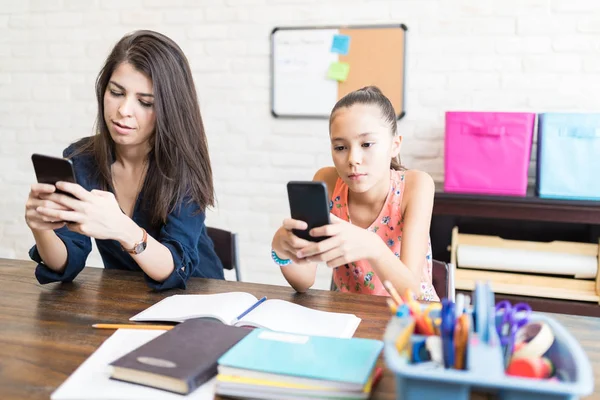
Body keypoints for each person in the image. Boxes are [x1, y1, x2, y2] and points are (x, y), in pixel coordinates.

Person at [24, 30, 224, 290]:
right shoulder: (82, 159)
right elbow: (66, 262)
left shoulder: (182, 165)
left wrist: (121, 228)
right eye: (116, 92)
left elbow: (177, 267)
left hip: (200, 298)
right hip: (125, 301)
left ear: (169, 109)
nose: (124, 111)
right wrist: (41, 227)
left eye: (145, 102)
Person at [271, 86, 439, 301]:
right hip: (348, 315)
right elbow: (304, 282)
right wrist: (282, 250)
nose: (353, 159)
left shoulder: (416, 185)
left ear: (395, 145)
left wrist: (373, 247)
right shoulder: (328, 181)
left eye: (367, 144)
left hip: (411, 319)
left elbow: (411, 293)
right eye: (340, 147)